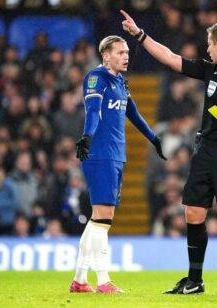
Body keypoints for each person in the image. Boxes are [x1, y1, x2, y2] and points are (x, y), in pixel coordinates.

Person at [121, 10, 217, 296]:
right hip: (205, 150)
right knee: (193, 212)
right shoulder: (210, 70)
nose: (206, 48)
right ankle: (195, 280)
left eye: (209, 43)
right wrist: (140, 35)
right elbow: (170, 57)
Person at [70, 35, 166, 294]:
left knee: (97, 219)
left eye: (126, 52)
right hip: (100, 154)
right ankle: (103, 281)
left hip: (115, 155)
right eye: (120, 52)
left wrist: (154, 138)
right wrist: (87, 137)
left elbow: (133, 113)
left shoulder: (121, 82)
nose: (126, 56)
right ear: (106, 56)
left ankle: (79, 280)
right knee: (104, 219)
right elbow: (93, 110)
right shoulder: (96, 78)